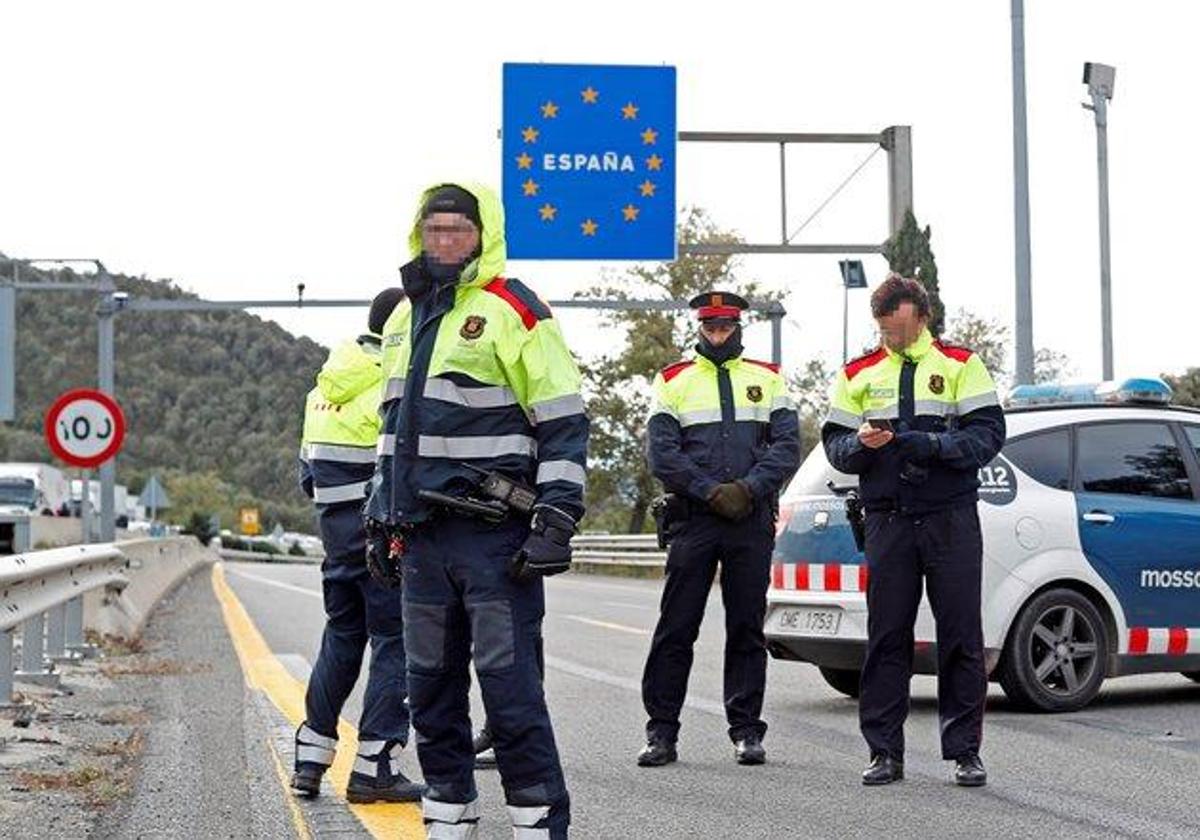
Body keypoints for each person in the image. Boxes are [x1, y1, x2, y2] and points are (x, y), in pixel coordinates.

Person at [363, 182, 587, 839]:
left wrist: (557, 516)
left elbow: (564, 421)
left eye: (458, 230)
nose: (445, 242)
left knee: (510, 694)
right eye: (434, 230)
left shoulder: (515, 309)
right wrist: (381, 515)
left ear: (482, 236)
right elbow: (391, 429)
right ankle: (449, 816)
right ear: (418, 234)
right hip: (423, 540)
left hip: (495, 540)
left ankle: (539, 823)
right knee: (428, 692)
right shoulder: (406, 316)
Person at [822, 273, 1005, 787]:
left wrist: (932, 446)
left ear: (922, 317)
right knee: (886, 637)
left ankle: (965, 751)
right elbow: (834, 446)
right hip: (888, 519)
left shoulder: (962, 365)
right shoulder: (857, 372)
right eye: (884, 331)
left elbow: (989, 434)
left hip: (950, 517)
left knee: (961, 636)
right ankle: (884, 752)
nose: (892, 340)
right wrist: (862, 447)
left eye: (899, 330)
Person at [638, 291, 801, 768]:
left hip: (750, 519)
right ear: (699, 327)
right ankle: (661, 733)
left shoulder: (768, 379)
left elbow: (787, 447)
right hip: (696, 518)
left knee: (747, 628)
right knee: (676, 627)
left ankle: (747, 731)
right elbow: (662, 454)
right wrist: (711, 491)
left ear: (739, 327)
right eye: (710, 327)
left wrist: (747, 490)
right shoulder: (673, 380)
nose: (718, 333)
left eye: (725, 326)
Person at [292, 287, 423, 803]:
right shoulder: (397, 383)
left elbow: (307, 476)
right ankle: (375, 767)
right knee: (396, 643)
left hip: (336, 540)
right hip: (384, 538)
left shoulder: (323, 389)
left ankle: (310, 760)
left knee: (341, 639)